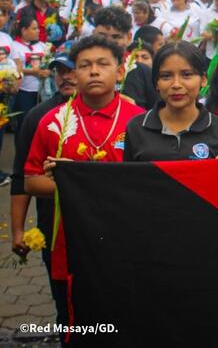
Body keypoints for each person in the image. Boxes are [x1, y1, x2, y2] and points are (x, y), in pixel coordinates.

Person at [24, 36, 145, 331]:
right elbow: (31, 181)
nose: (93, 71)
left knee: (127, 320)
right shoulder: (52, 121)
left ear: (119, 71)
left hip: (126, 242)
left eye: (103, 64)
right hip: (69, 245)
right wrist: (74, 187)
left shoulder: (141, 121)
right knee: (73, 321)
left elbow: (148, 184)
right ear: (74, 73)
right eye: (84, 65)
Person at [9, 52, 75, 326]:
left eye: (73, 69)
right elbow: (20, 177)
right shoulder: (38, 116)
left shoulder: (119, 115)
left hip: (101, 229)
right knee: (62, 303)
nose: (66, 76)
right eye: (60, 71)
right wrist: (18, 231)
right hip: (54, 226)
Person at [124, 41, 218, 161]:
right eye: (166, 76)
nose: (176, 85)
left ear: (203, 80)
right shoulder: (136, 127)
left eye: (186, 75)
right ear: (156, 83)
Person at [10, 12, 48, 122]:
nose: (38, 31)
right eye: (34, 28)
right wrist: (35, 71)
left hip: (41, 91)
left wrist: (47, 71)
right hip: (24, 90)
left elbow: (48, 63)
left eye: (38, 28)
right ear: (24, 30)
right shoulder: (14, 46)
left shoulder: (41, 45)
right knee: (24, 122)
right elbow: (15, 68)